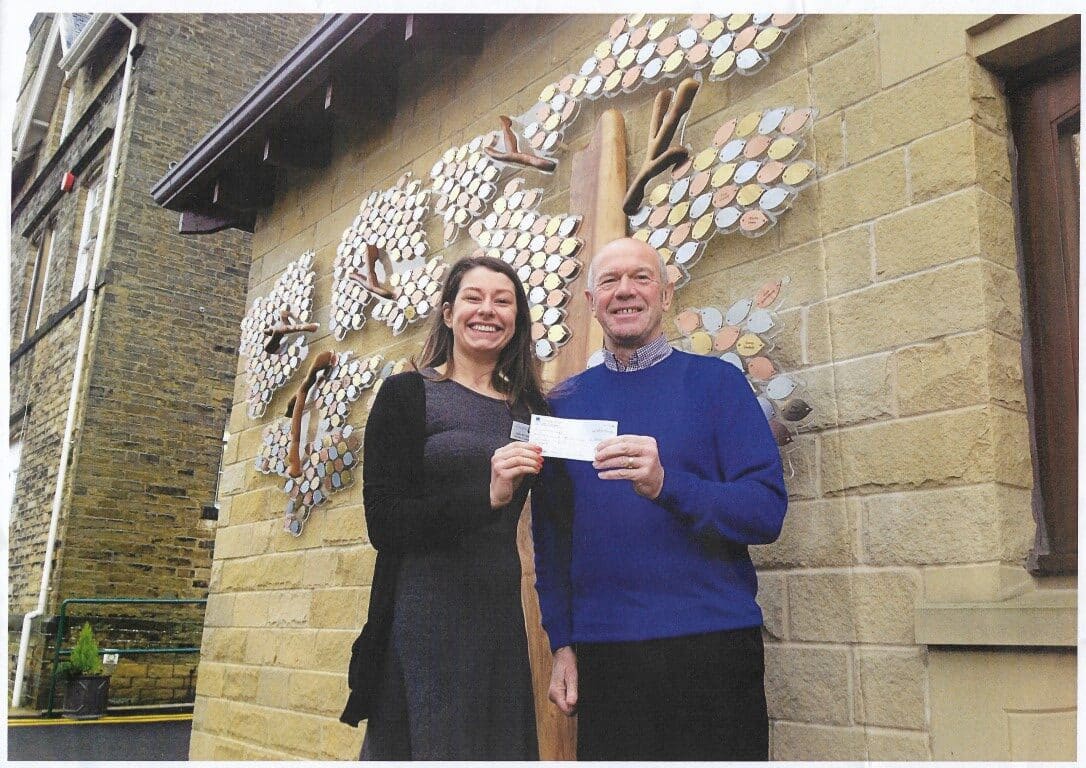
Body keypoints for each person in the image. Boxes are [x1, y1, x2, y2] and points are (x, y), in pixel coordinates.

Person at [532, 237, 788, 761]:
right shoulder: (562, 405)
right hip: (607, 654)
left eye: (641, 278)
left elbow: (765, 512)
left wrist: (668, 486)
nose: (625, 290)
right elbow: (551, 539)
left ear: (666, 295)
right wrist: (562, 643)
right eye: (610, 281)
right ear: (591, 302)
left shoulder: (719, 384)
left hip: (712, 642)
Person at [348, 255, 547, 760]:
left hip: (497, 615)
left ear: (517, 319)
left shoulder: (532, 412)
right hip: (423, 615)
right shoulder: (406, 394)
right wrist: (487, 497)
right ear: (448, 312)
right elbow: (384, 523)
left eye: (503, 301)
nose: (488, 310)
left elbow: (564, 511)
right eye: (473, 298)